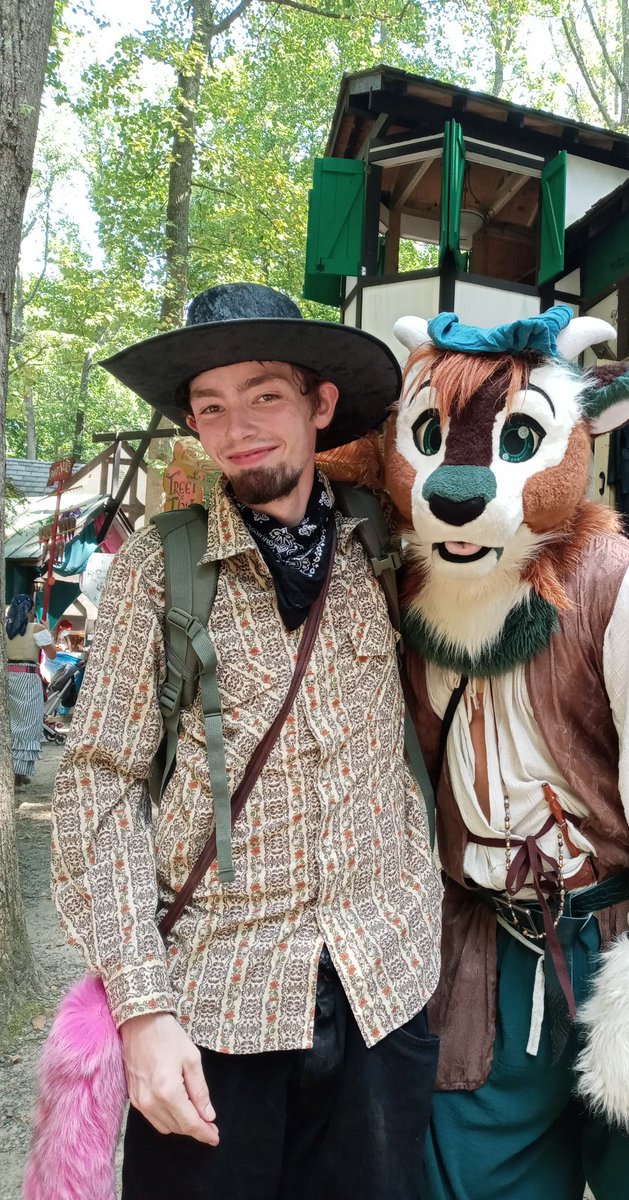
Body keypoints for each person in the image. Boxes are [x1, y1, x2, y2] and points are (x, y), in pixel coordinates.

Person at [49, 283, 442, 1200]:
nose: (239, 429)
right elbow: (98, 785)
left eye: (265, 394)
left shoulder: (384, 539)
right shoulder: (162, 562)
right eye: (210, 407)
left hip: (382, 980)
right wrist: (142, 1010)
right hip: (218, 1001)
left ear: (321, 403)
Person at [368, 307, 629, 1200]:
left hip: (619, 937)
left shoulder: (615, 579)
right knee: (462, 1172)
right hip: (481, 943)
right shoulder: (405, 590)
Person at [5, 594, 55, 785]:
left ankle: (11, 770)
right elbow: (52, 654)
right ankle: (20, 771)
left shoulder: (4, 629)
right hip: (28, 678)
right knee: (28, 726)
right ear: (31, 610)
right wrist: (48, 631)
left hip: (8, 678)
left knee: (11, 725)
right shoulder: (37, 629)